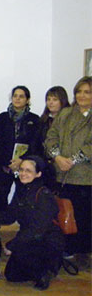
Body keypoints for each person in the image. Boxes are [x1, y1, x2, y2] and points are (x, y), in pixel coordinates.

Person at [0, 156, 64, 290]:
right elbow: (9, 216)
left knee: (21, 259)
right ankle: (40, 269)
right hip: (29, 237)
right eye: (21, 170)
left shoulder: (44, 194)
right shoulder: (21, 191)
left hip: (47, 240)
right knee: (12, 275)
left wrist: (12, 245)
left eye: (28, 171)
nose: (23, 174)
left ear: (38, 174)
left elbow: (38, 229)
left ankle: (47, 269)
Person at [45, 76, 92, 258]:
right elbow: (51, 137)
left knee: (84, 217)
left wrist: (72, 160)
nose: (82, 95)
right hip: (62, 175)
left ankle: (84, 251)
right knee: (65, 215)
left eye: (87, 92)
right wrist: (57, 157)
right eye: (79, 91)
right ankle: (68, 249)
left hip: (85, 176)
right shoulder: (65, 114)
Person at [0, 85, 40, 176]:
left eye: (21, 96)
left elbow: (35, 143)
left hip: (25, 163)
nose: (17, 99)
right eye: (15, 96)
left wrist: (22, 159)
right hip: (3, 165)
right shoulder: (2, 117)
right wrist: (6, 162)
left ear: (27, 100)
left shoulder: (34, 119)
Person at [36, 86, 69, 189]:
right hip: (45, 166)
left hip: (63, 165)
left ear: (62, 101)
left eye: (55, 100)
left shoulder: (69, 121)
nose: (50, 103)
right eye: (48, 99)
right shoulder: (42, 121)